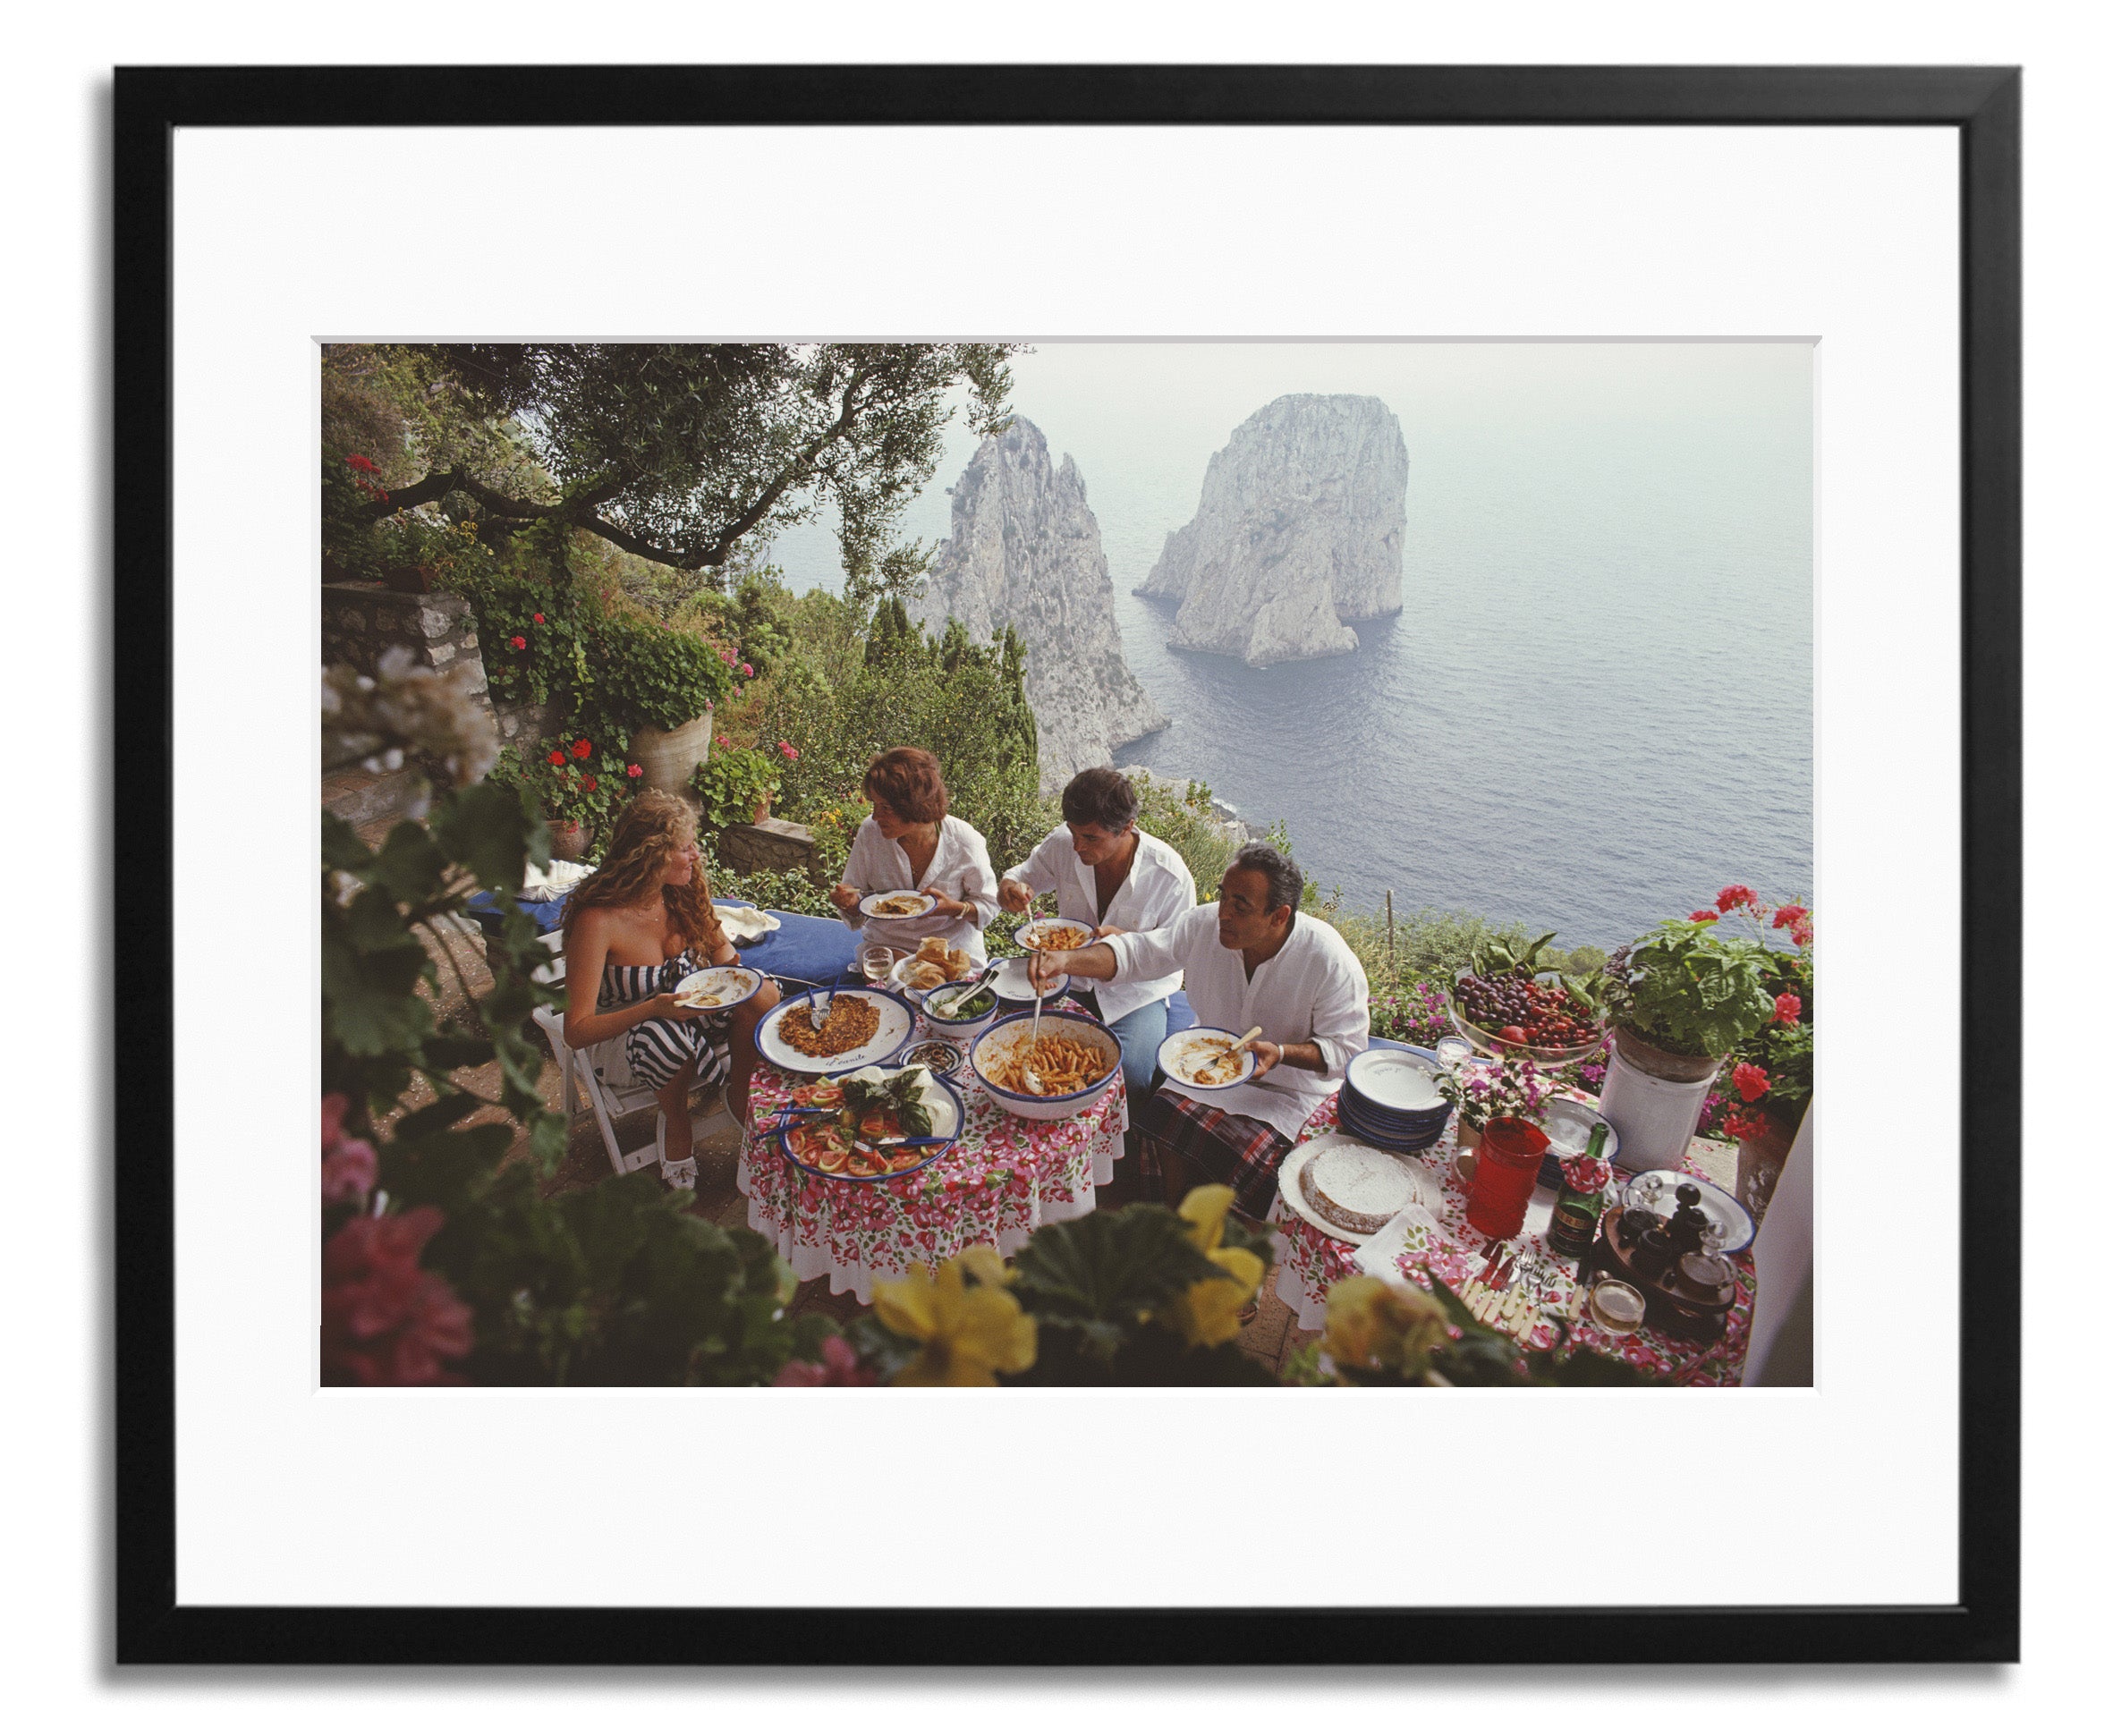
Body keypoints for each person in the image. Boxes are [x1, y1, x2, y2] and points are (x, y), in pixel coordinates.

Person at [1027, 841, 1369, 1221]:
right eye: (1223, 897)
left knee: (1261, 1166)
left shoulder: (1327, 960)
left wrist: (1282, 1053)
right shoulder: (1203, 925)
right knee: (1161, 1115)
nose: (1224, 914)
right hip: (1207, 1068)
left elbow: (1348, 1052)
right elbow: (1138, 953)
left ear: (1279, 915)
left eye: (1241, 907)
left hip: (1290, 1093)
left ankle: (1237, 1234)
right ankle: (1176, 1218)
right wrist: (1065, 960)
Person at [560, 790, 781, 1190]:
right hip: (624, 1035)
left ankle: (740, 1093)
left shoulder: (682, 893)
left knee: (762, 993)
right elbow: (576, 1030)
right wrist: (653, 1008)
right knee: (667, 1037)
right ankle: (678, 1122)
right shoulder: (598, 921)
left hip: (685, 1011)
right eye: (686, 847)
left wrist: (736, 979)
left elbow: (725, 957)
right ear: (651, 855)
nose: (697, 855)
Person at [997, 766, 1195, 1098]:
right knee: (1024, 1050)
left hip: (1135, 994)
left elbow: (1174, 954)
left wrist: (1126, 944)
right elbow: (1021, 876)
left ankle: (1119, 1132)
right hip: (1069, 981)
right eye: (1073, 832)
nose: (1077, 846)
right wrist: (1010, 890)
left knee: (1131, 1075)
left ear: (1127, 827)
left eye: (1090, 838)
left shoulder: (1169, 876)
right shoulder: (1063, 843)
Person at [830, 747, 999, 964]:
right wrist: (849, 902)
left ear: (914, 806)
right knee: (896, 976)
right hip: (888, 947)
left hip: (950, 951)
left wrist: (952, 908)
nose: (875, 816)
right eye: (874, 804)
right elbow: (857, 898)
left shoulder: (964, 841)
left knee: (933, 982)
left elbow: (989, 906)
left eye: (885, 807)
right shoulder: (871, 833)